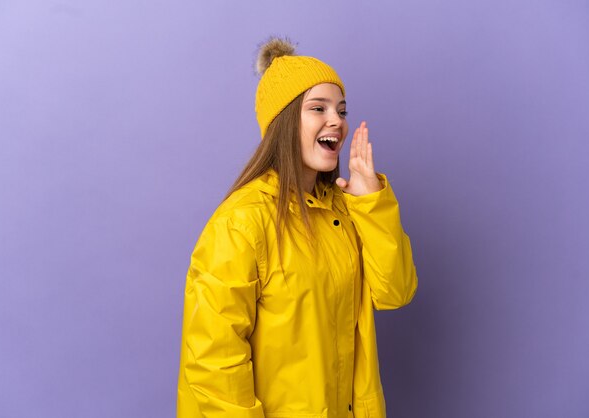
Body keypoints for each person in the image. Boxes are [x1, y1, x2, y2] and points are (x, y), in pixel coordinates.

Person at [176, 37, 418, 418]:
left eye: (341, 109)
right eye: (317, 108)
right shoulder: (242, 222)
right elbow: (213, 361)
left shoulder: (344, 209)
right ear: (284, 121)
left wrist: (370, 203)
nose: (336, 120)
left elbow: (395, 291)